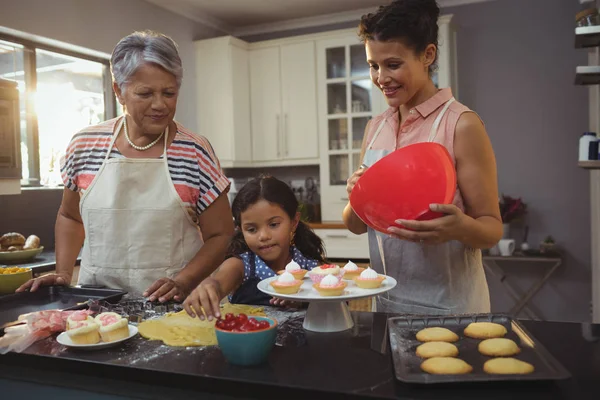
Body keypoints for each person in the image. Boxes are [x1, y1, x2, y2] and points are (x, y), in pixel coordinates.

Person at [17, 31, 234, 302]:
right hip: (98, 305)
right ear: (118, 91)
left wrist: (183, 281)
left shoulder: (194, 151)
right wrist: (63, 272)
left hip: (174, 307)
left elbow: (222, 234)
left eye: (169, 93)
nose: (159, 104)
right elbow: (71, 216)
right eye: (145, 93)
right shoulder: (85, 145)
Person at [343, 0, 503, 315]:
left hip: (450, 308)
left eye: (392, 64)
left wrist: (458, 228)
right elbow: (357, 225)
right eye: (373, 65)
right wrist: (355, 197)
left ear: (427, 55)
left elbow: (492, 228)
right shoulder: (375, 128)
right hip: (387, 303)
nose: (380, 78)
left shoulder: (461, 123)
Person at [183, 175, 326, 320]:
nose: (263, 236)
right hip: (246, 341)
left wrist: (304, 299)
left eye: (273, 224)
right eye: (251, 229)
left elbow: (336, 301)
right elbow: (219, 283)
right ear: (241, 230)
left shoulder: (310, 267)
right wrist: (210, 286)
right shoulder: (241, 265)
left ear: (294, 222)